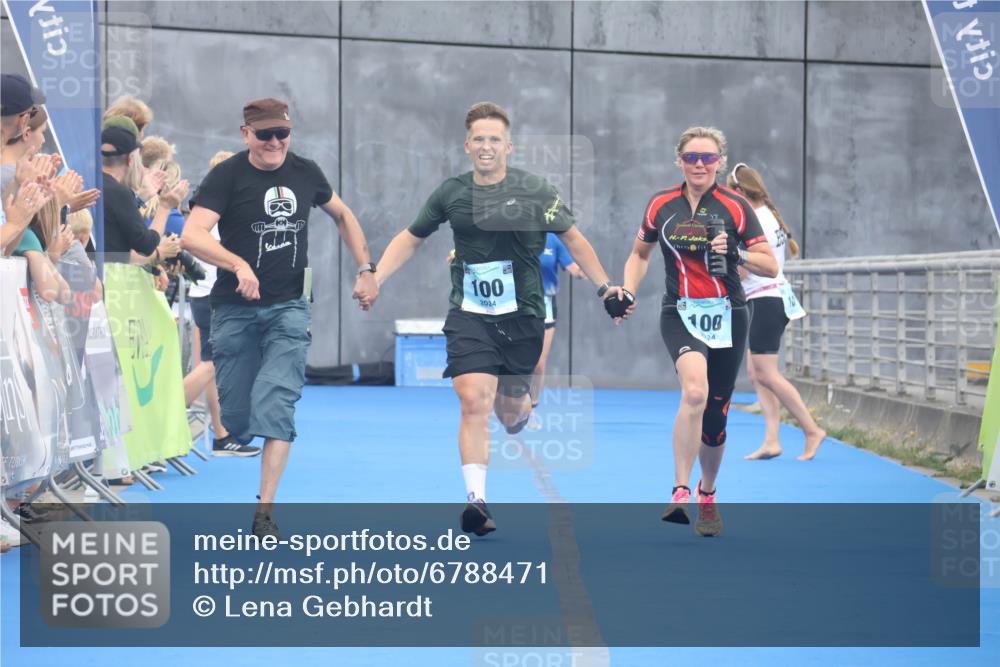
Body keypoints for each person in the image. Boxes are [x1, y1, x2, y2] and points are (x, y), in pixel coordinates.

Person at [375, 102, 622, 536]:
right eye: (479, 139)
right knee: (473, 400)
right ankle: (477, 501)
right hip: (470, 314)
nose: (486, 146)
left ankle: (523, 409)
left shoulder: (536, 190)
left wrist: (606, 287)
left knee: (509, 415)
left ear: (508, 146)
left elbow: (574, 239)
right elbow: (411, 238)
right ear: (467, 145)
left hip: (523, 316)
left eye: (494, 139)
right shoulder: (451, 192)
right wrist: (376, 277)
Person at [182, 98, 378, 538]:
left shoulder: (306, 172)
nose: (274, 143)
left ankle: (264, 511)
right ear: (245, 133)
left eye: (281, 134)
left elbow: (343, 215)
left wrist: (366, 269)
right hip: (234, 308)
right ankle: (238, 428)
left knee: (279, 402)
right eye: (264, 134)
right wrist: (237, 264)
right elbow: (191, 234)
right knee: (238, 419)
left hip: (290, 306)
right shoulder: (227, 175)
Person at [622, 126, 777, 537]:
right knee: (694, 391)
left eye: (708, 158)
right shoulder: (661, 204)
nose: (699, 165)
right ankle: (680, 490)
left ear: (720, 162)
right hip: (680, 311)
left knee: (716, 417)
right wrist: (628, 290)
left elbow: (769, 264)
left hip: (729, 313)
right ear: (679, 160)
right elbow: (640, 254)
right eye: (691, 157)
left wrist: (739, 253)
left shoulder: (736, 206)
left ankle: (708, 494)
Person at [726, 163, 826, 461]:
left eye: (731, 194)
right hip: (768, 298)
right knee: (757, 373)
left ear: (741, 193)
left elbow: (745, 272)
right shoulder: (766, 215)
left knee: (767, 373)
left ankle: (811, 429)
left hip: (766, 300)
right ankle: (772, 439)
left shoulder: (753, 221)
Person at [182, 150, 256, 457]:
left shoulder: (210, 209)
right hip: (214, 296)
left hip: (205, 294)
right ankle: (164, 416)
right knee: (212, 364)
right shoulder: (219, 212)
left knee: (213, 364)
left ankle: (221, 434)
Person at [100, 124, 184, 265]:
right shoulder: (120, 193)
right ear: (130, 160)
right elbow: (146, 245)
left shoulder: (91, 181)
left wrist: (140, 197)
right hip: (109, 278)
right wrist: (164, 207)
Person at [528, 232, 584, 426]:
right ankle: (507, 403)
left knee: (538, 364)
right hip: (517, 305)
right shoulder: (514, 234)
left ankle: (531, 409)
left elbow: (574, 268)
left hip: (545, 305)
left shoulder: (554, 240)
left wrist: (584, 271)